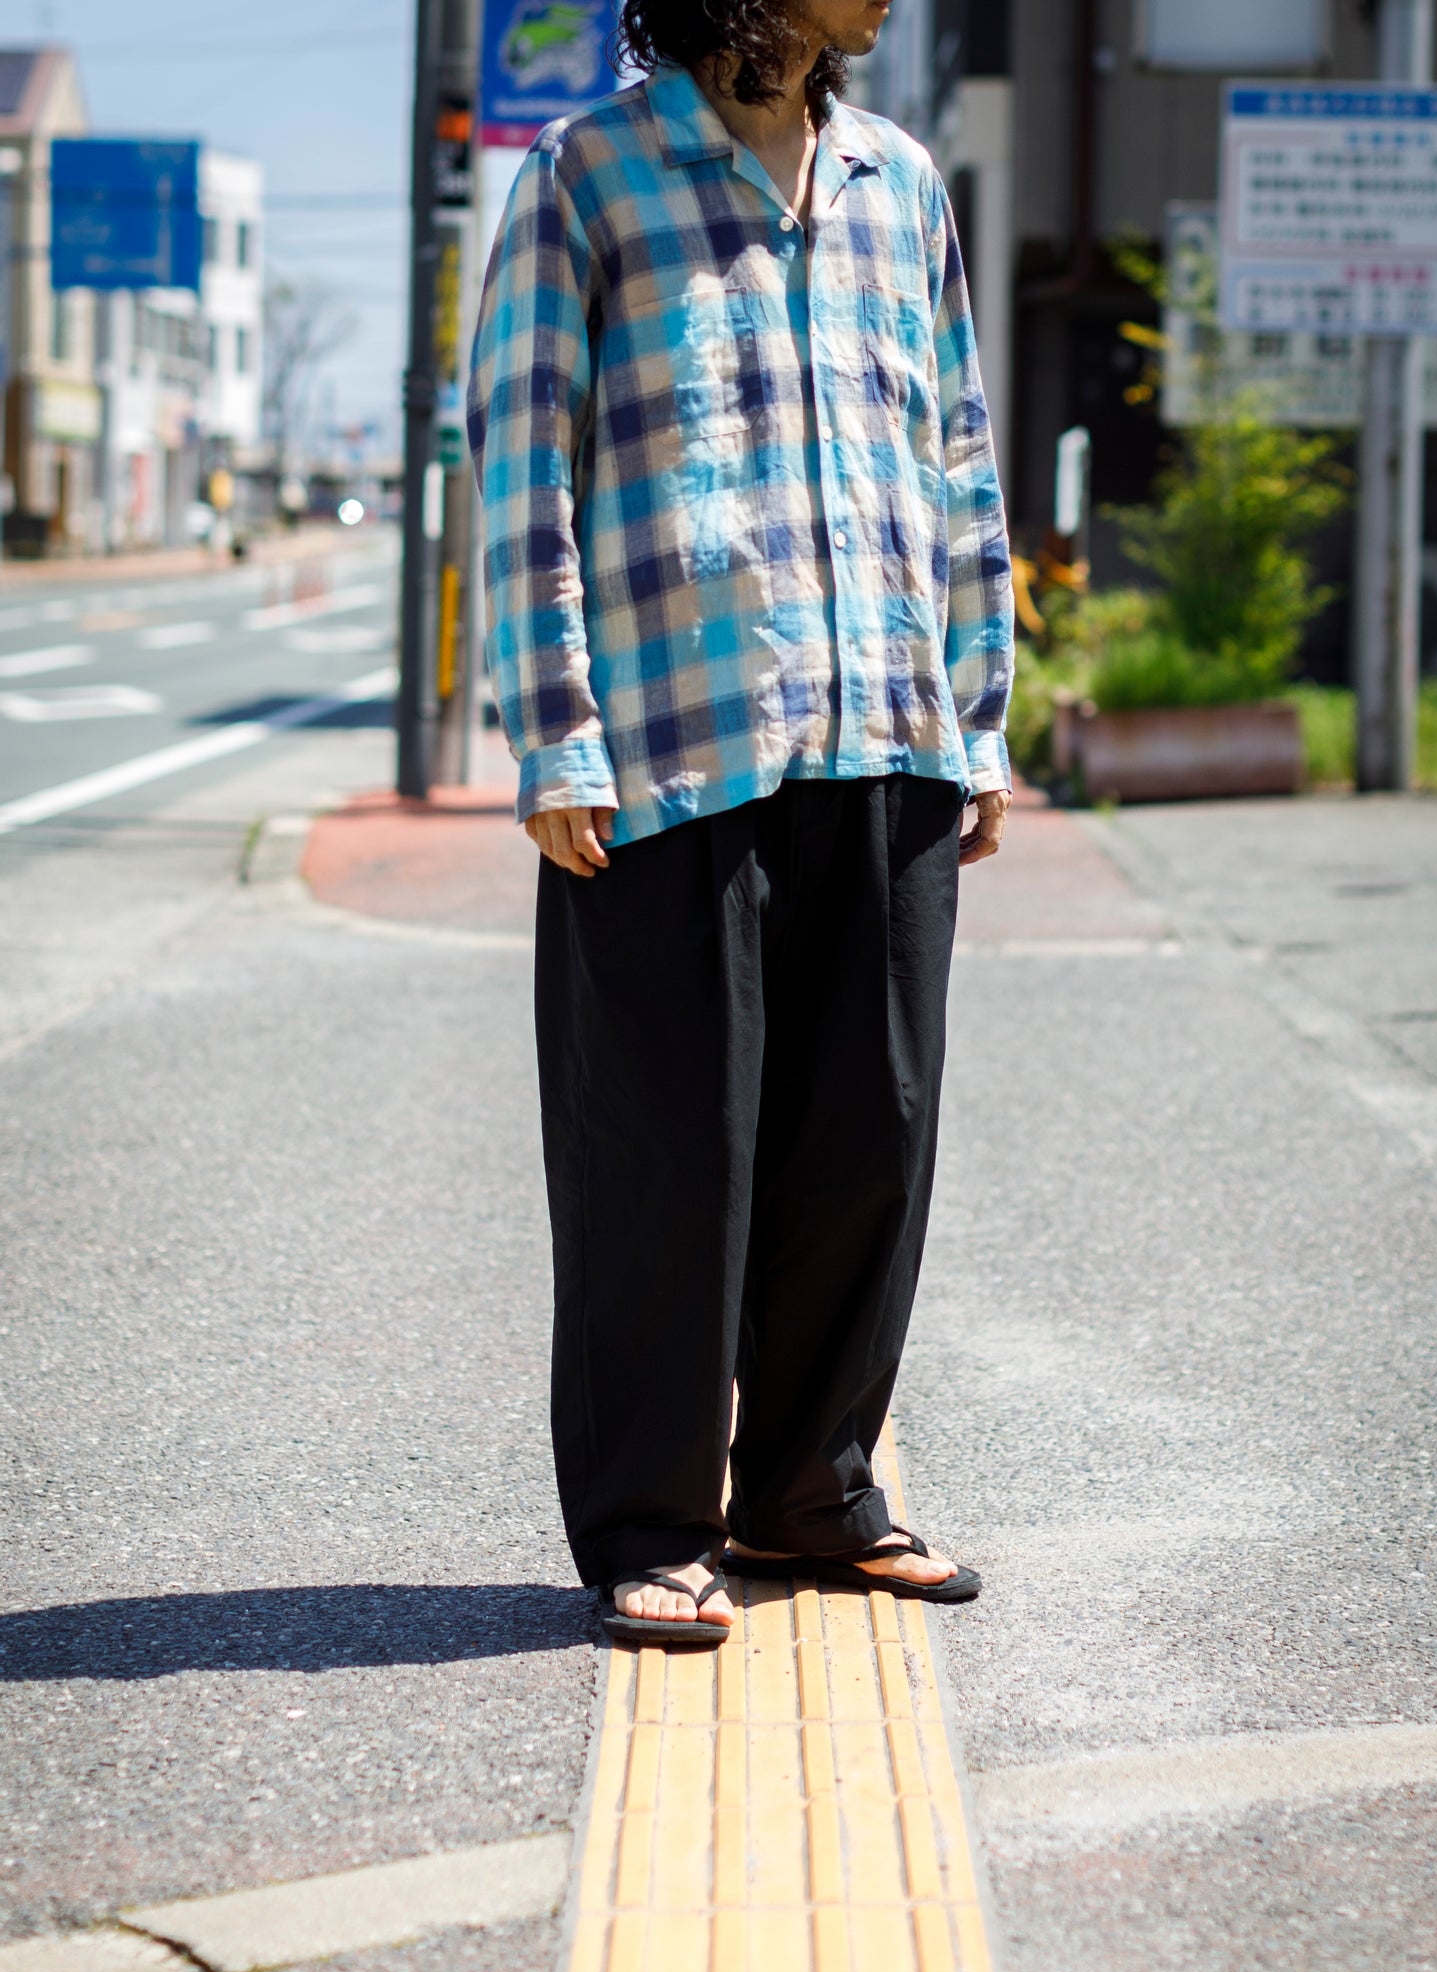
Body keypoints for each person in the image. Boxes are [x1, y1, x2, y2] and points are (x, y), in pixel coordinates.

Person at [469, 0, 1014, 1646]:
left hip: (886, 724)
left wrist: (975, 711)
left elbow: (956, 450)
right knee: (665, 1151)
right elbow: (522, 463)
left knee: (871, 1131)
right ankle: (650, 1519)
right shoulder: (589, 175)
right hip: (669, 737)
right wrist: (557, 733)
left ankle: (811, 1492)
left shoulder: (897, 179)